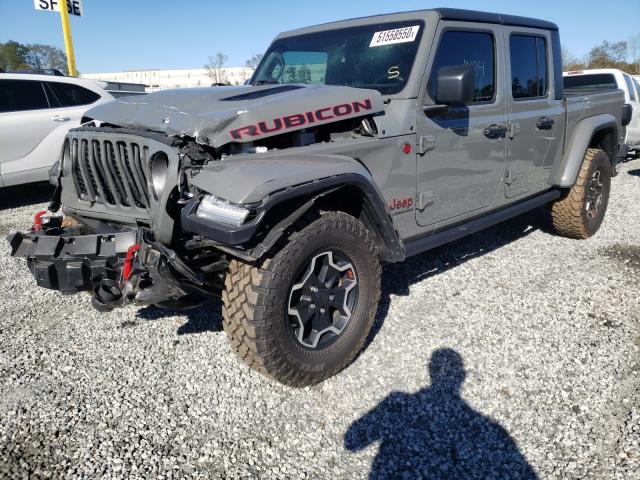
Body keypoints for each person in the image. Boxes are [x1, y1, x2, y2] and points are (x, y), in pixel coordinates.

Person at [345, 348, 537, 479]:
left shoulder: (397, 401)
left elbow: (352, 441)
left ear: (430, 371)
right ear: (462, 376)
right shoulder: (494, 430)